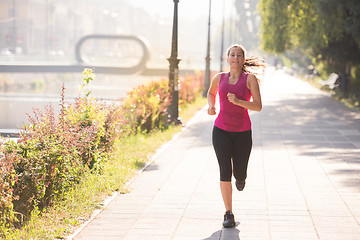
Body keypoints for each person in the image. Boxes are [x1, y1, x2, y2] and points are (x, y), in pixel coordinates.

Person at [207, 44, 265, 228]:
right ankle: (228, 213)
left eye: (239, 55)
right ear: (227, 58)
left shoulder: (250, 79)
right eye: (232, 55)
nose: (236, 58)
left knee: (238, 172)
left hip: (242, 133)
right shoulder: (219, 78)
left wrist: (239, 102)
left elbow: (257, 106)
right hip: (221, 131)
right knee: (224, 171)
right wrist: (211, 105)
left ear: (242, 59)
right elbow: (210, 93)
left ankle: (241, 177)